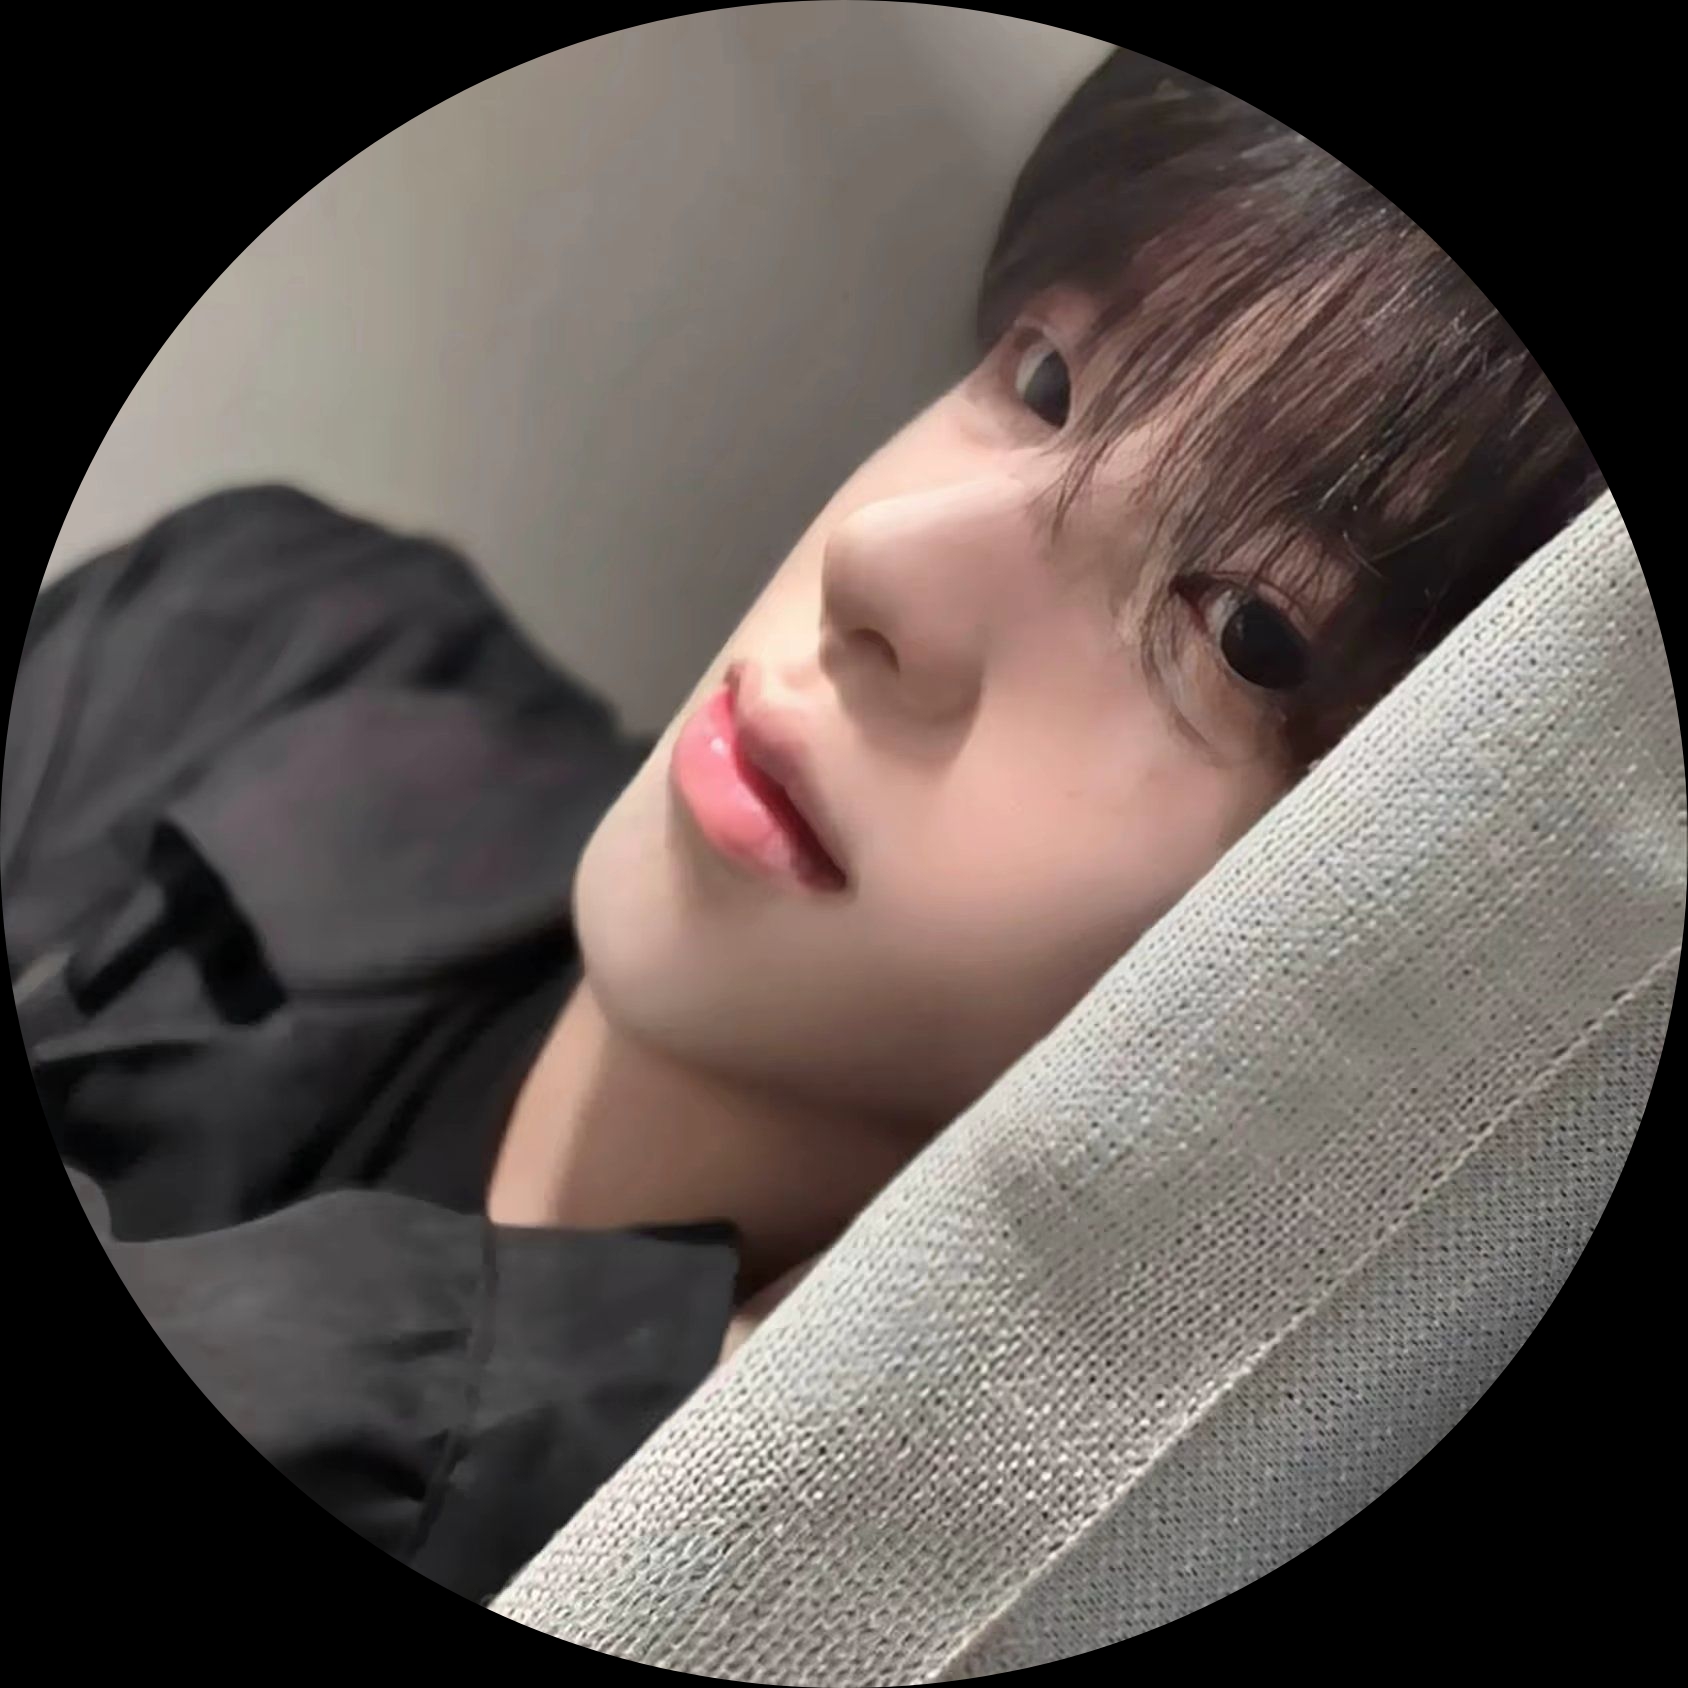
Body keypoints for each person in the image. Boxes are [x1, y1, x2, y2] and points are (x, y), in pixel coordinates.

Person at [5, 49, 1603, 1606]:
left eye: (1246, 630)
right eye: (1043, 378)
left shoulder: (817, 1592)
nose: (883, 563)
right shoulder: (258, 634)